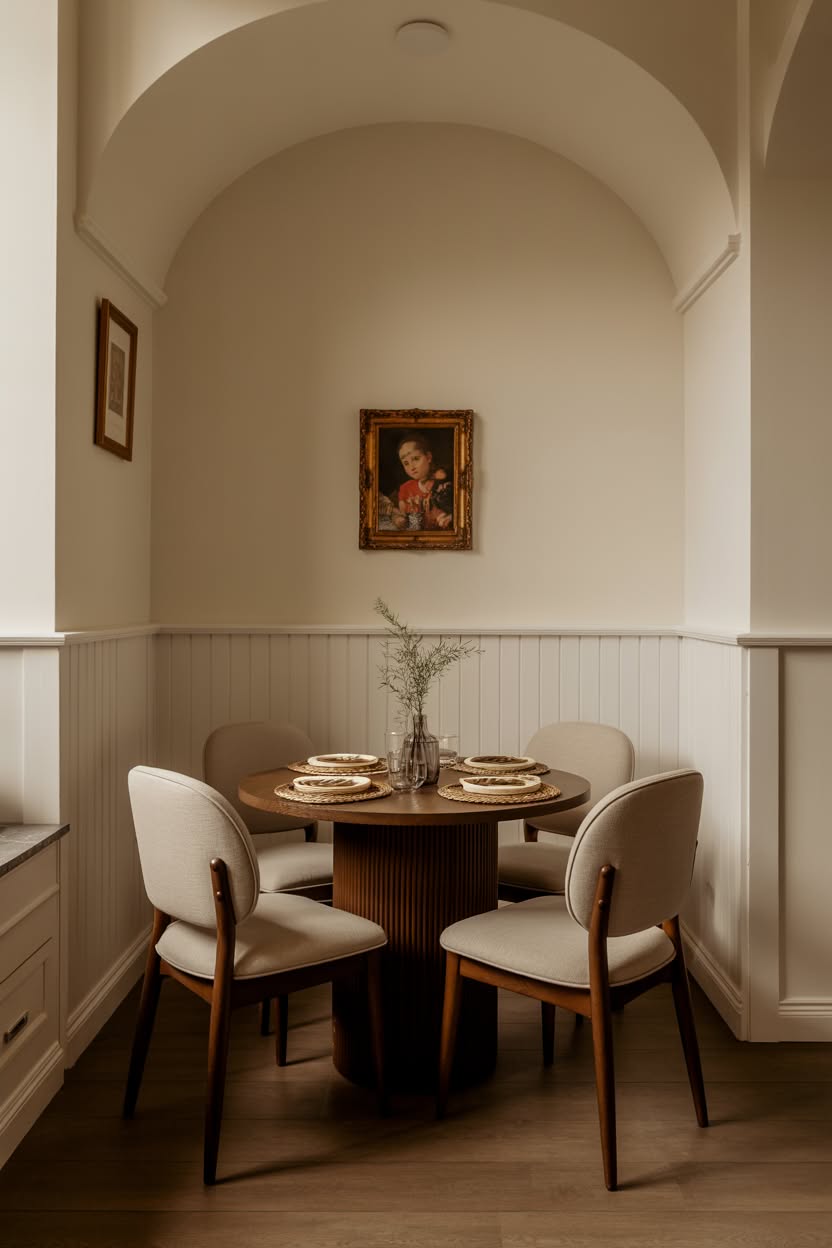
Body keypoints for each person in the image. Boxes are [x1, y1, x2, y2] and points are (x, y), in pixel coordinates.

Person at [390, 434, 453, 531]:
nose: (412, 467)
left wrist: (450, 517)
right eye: (406, 463)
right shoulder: (405, 489)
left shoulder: (443, 484)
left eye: (416, 459)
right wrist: (398, 519)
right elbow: (402, 517)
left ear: (428, 457)